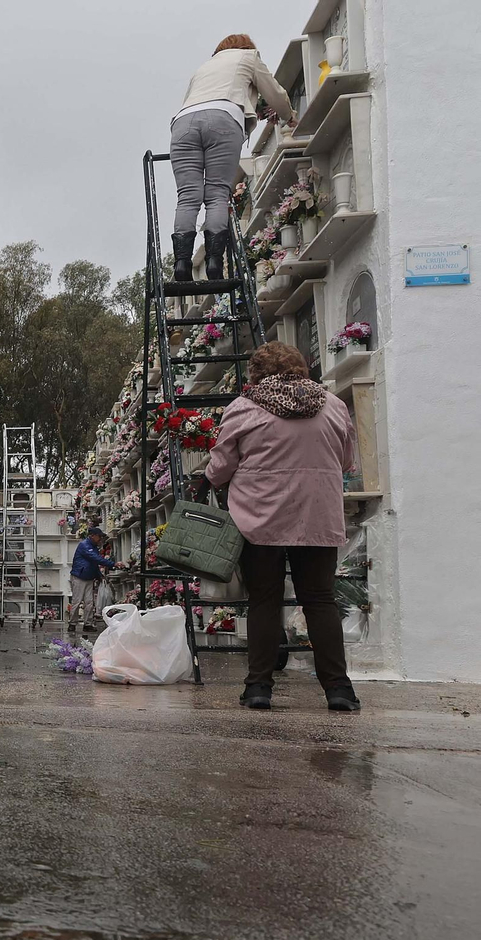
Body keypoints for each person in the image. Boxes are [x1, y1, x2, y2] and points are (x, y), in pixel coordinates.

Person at [205, 343, 358, 711]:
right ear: (301, 369)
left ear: (256, 373)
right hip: (317, 517)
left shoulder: (244, 409)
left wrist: (211, 475)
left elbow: (220, 469)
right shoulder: (333, 407)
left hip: (261, 519)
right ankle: (339, 690)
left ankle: (258, 687)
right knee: (320, 600)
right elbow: (347, 460)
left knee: (263, 602)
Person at [171, 35, 294, 284]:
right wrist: (288, 115)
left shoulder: (203, 68)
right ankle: (214, 262)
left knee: (187, 195)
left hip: (183, 123)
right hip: (223, 119)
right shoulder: (248, 57)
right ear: (247, 47)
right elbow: (275, 93)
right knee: (216, 193)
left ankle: (182, 263)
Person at [69, 527, 114, 631]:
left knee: (89, 602)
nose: (100, 539)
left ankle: (87, 624)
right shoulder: (84, 545)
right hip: (79, 576)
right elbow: (95, 559)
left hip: (88, 577)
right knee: (77, 600)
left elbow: (94, 564)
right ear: (92, 536)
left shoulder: (94, 547)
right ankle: (72, 623)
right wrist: (113, 564)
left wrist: (98, 575)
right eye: (99, 536)